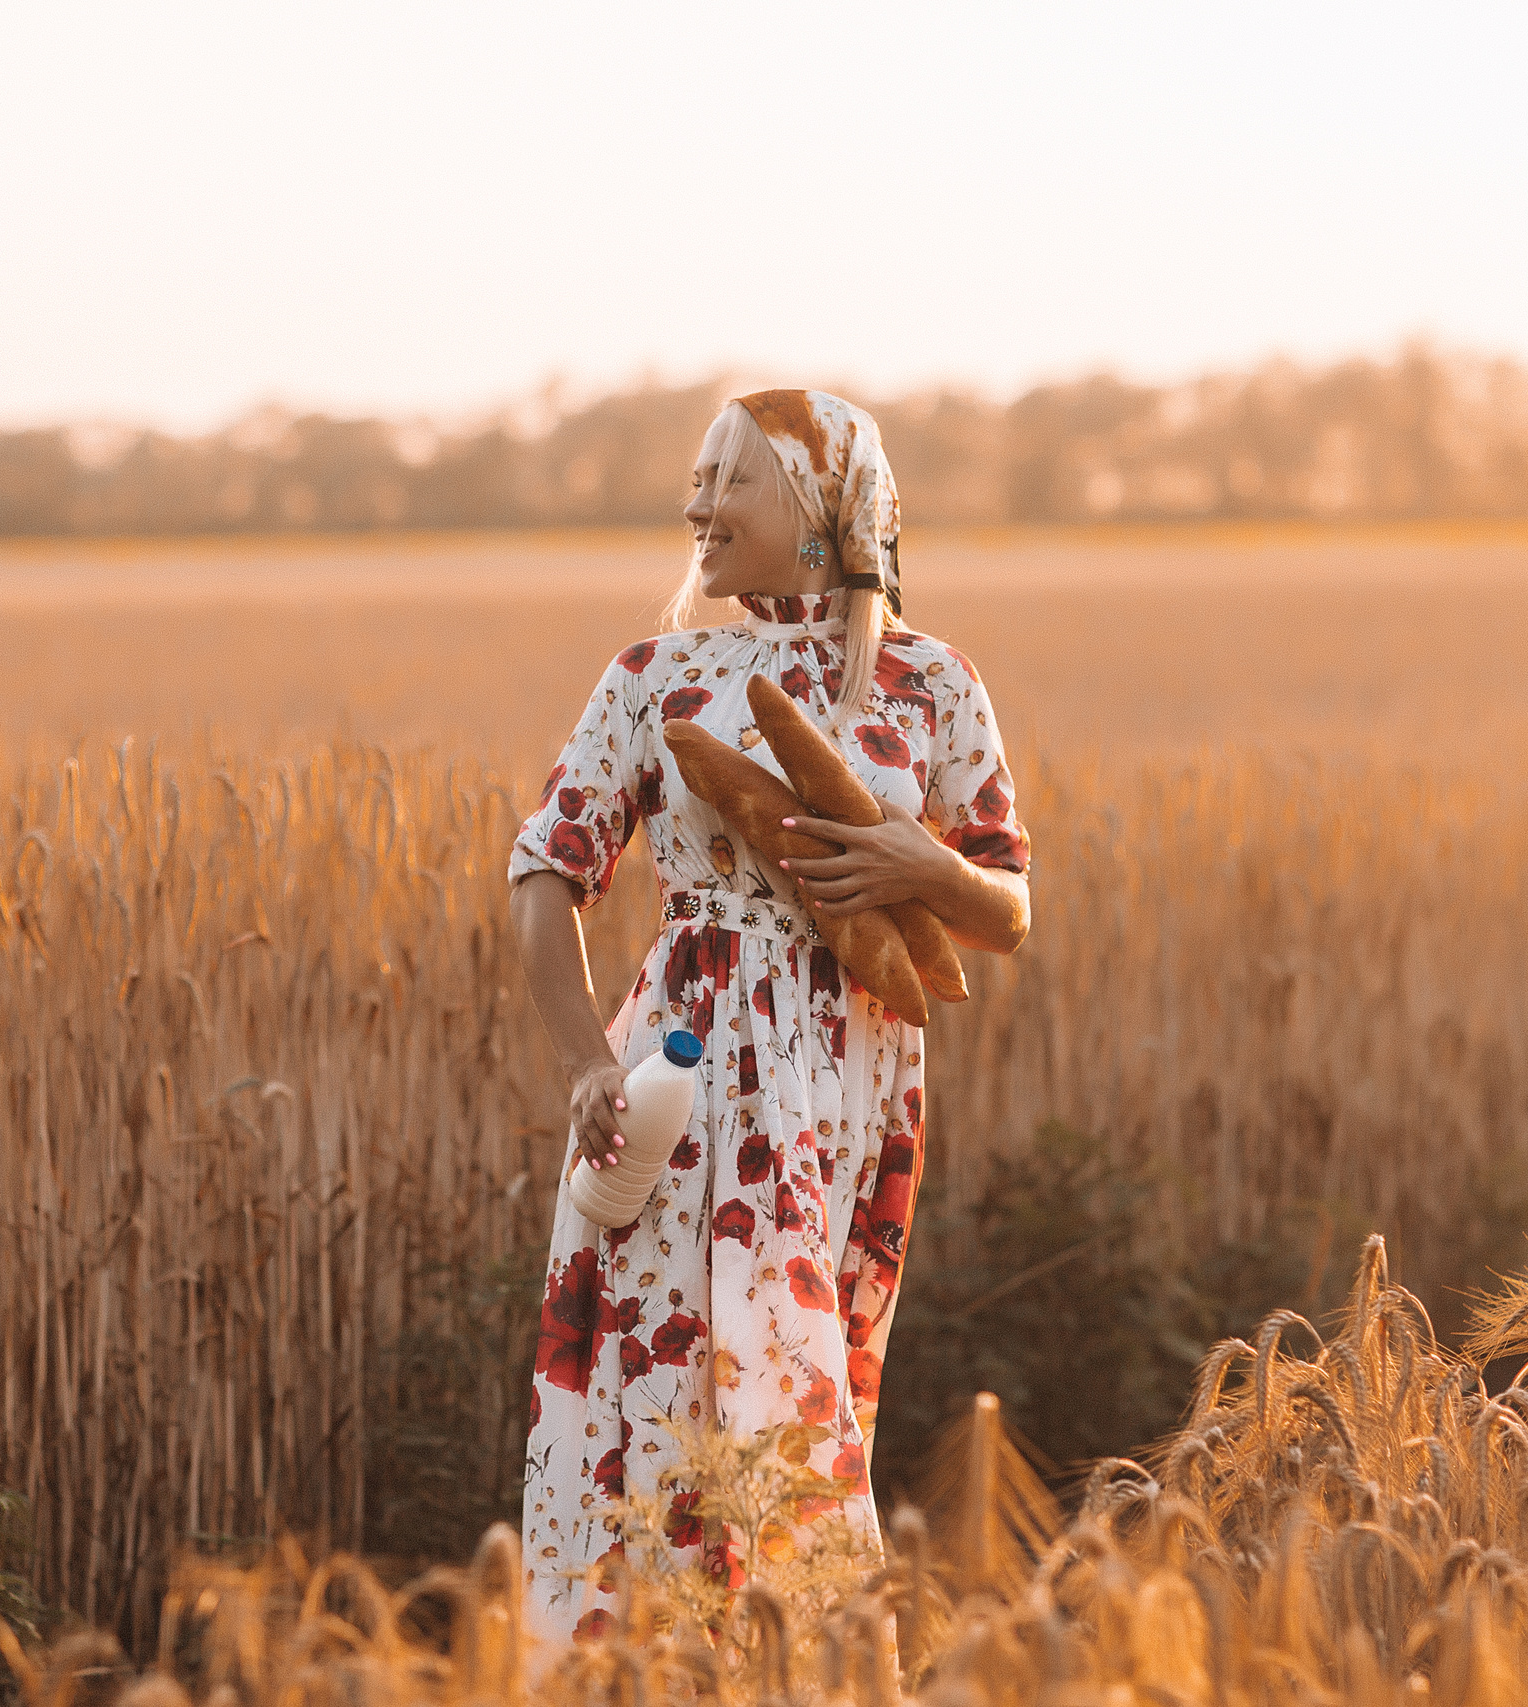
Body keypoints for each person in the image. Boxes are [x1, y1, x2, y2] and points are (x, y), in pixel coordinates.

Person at [508, 389, 1032, 1643]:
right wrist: (586, 1063)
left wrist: (922, 871)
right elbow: (546, 872)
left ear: (814, 508)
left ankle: (778, 1661)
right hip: (674, 1079)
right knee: (666, 1382)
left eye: (726, 478)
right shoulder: (653, 674)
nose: (695, 502)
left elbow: (1007, 904)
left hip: (850, 1086)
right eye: (695, 476)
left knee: (810, 1383)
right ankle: (657, 1663)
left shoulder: (929, 683)